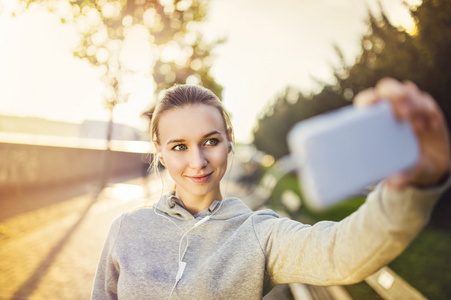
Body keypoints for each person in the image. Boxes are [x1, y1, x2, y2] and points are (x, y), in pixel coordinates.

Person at [92, 78, 450, 300]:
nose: (197, 161)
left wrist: (417, 186)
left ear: (229, 141)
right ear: (160, 151)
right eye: (179, 146)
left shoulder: (259, 234)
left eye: (210, 141)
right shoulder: (126, 229)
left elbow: (341, 253)